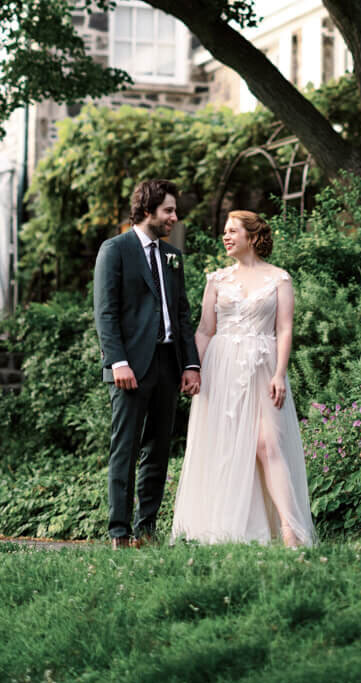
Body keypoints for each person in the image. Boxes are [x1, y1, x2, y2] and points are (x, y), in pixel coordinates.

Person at [171, 209, 313, 547]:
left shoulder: (279, 279)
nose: (226, 236)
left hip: (263, 369)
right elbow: (205, 330)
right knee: (227, 446)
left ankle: (290, 529)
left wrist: (280, 373)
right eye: (224, 231)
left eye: (233, 230)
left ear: (252, 236)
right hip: (221, 369)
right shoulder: (216, 280)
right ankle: (227, 528)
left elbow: (284, 328)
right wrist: (193, 369)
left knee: (268, 444)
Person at [93, 178, 200, 547]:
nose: (174, 217)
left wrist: (191, 365)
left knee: (158, 449)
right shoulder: (115, 250)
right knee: (125, 447)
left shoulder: (173, 256)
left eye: (174, 210)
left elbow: (182, 314)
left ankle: (146, 529)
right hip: (130, 368)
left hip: (168, 366)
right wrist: (117, 361)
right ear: (147, 210)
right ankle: (119, 532)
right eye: (168, 210)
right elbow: (105, 313)